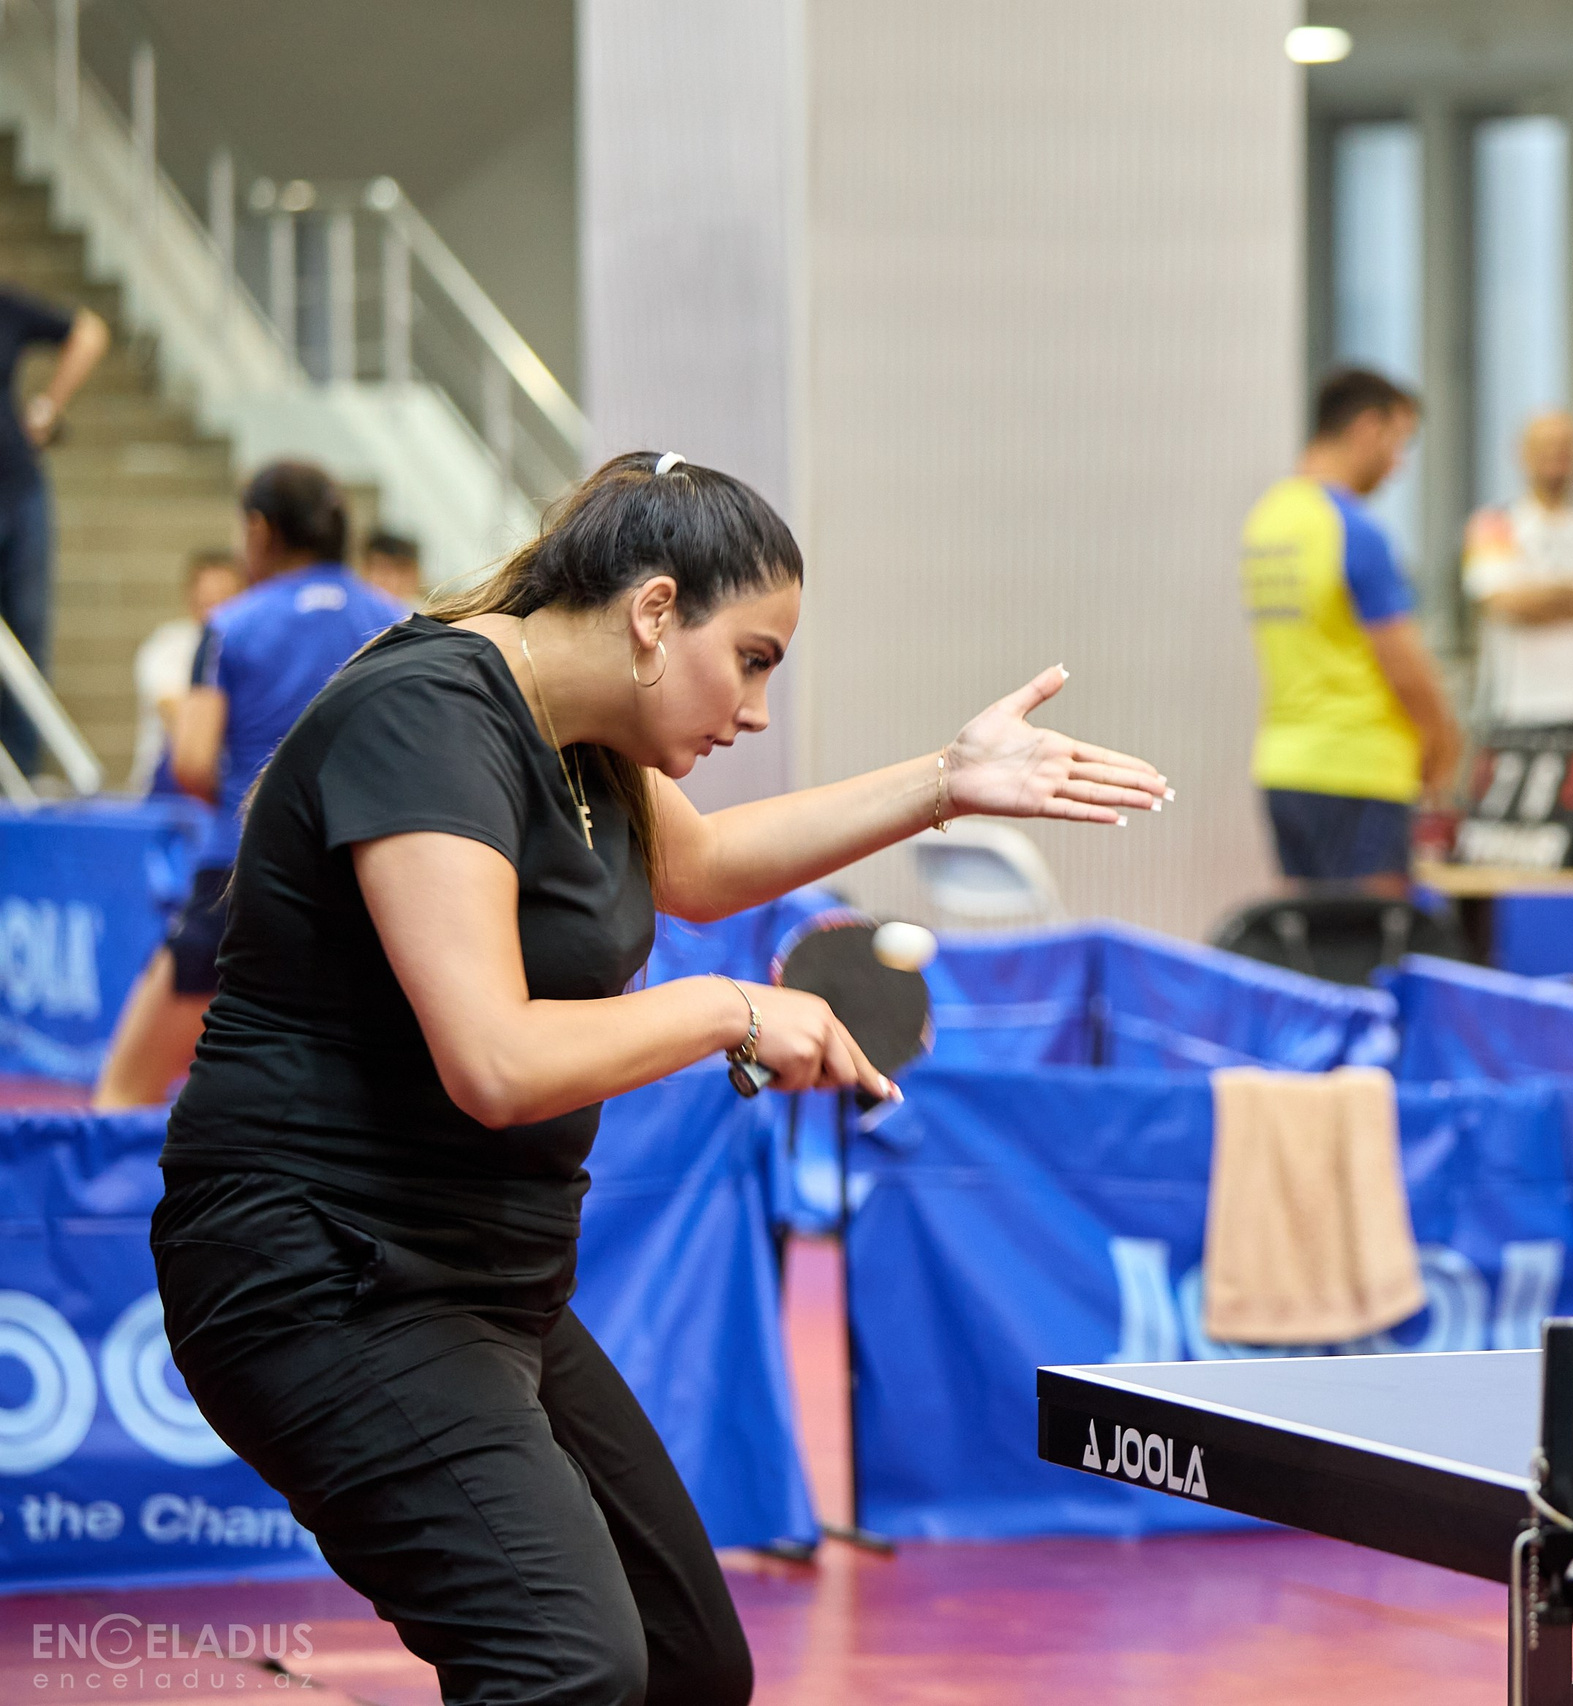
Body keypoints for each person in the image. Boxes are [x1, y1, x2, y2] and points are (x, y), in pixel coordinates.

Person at [150, 450, 1168, 1704]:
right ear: (651, 612)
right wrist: (725, 1005)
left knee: (686, 1663)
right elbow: (495, 1059)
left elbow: (701, 868)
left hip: (486, 1275)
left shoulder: (587, 744)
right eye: (751, 658)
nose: (752, 710)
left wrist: (942, 785)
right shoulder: (426, 715)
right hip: (321, 1269)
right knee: (566, 1665)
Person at [93, 464, 404, 1108]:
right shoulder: (397, 622)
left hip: (240, 878)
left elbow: (193, 762)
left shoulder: (232, 623)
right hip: (367, 883)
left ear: (259, 530)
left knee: (125, 1091)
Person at [1241, 366, 1461, 892]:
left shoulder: (1268, 519)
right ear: (1368, 429)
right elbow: (1404, 666)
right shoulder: (1354, 529)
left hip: (1284, 767)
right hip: (1360, 769)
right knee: (1370, 947)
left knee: (1309, 952)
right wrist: (1445, 746)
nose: (1397, 465)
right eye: (1398, 443)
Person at [1462, 411, 1573, 734]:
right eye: (1546, 447)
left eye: (1566, 448)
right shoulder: (1494, 523)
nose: (1557, 458)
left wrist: (1541, 595)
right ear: (1523, 453)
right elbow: (1505, 603)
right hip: (1517, 709)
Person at [0, 284, 107, 774]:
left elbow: (88, 332)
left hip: (18, 489)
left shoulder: (7, 304)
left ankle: (20, 779)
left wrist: (46, 409)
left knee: (26, 638)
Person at [128, 549, 242, 794]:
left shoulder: (250, 650)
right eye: (208, 602)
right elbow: (179, 719)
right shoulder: (166, 647)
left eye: (227, 600)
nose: (216, 613)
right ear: (192, 599)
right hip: (168, 793)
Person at [359, 528, 423, 608]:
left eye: (401, 571)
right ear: (365, 570)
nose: (393, 581)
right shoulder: (351, 611)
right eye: (382, 570)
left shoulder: (425, 615)